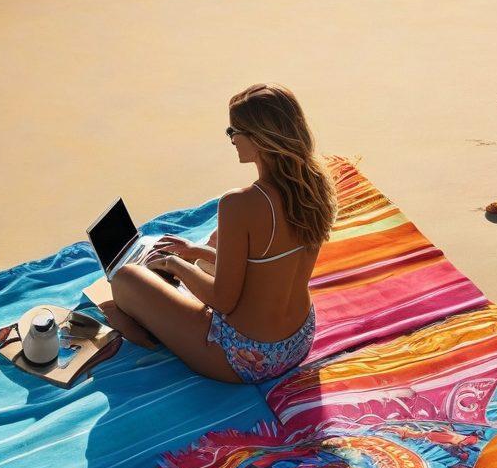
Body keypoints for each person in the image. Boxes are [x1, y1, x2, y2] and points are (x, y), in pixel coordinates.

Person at [103, 83, 337, 383]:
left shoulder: (239, 203)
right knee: (204, 263)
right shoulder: (314, 187)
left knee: (126, 278)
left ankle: (150, 328)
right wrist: (196, 252)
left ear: (258, 138)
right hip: (298, 339)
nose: (232, 140)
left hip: (247, 357)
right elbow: (267, 266)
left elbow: (223, 300)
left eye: (233, 132)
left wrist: (174, 264)